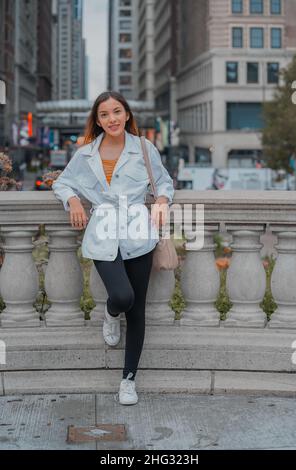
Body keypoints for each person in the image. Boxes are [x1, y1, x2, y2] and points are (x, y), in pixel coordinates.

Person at [52, 91, 175, 405]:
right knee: (121, 297)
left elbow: (163, 182)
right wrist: (74, 200)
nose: (112, 119)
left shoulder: (144, 148)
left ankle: (128, 380)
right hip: (103, 230)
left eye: (117, 112)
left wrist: (161, 199)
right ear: (97, 120)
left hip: (138, 232)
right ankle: (110, 313)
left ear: (128, 114)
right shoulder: (86, 153)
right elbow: (61, 182)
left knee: (137, 311)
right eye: (104, 114)